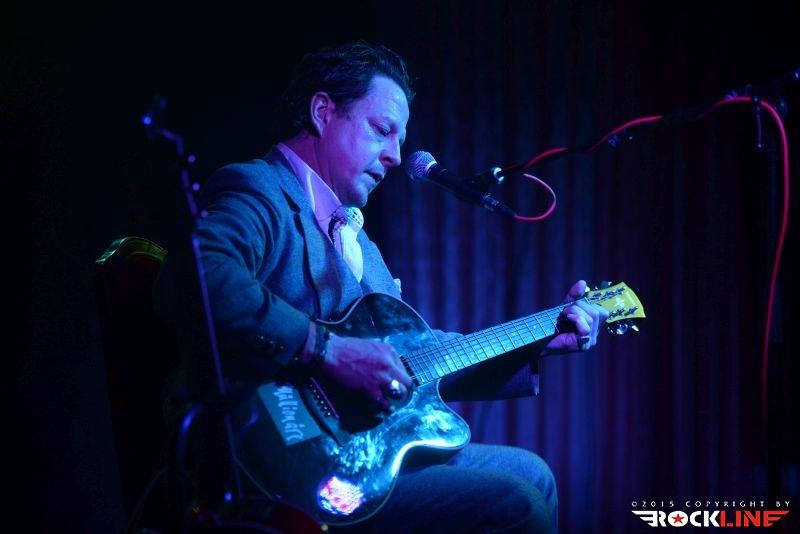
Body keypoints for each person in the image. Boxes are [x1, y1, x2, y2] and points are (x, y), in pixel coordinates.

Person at [157, 41, 607, 533]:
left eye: (399, 139)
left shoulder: (359, 242)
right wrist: (325, 349)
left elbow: (417, 359)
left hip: (364, 453)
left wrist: (543, 339)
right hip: (281, 457)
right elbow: (199, 274)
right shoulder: (260, 188)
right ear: (323, 112)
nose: (395, 156)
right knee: (516, 504)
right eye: (382, 130)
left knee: (534, 475)